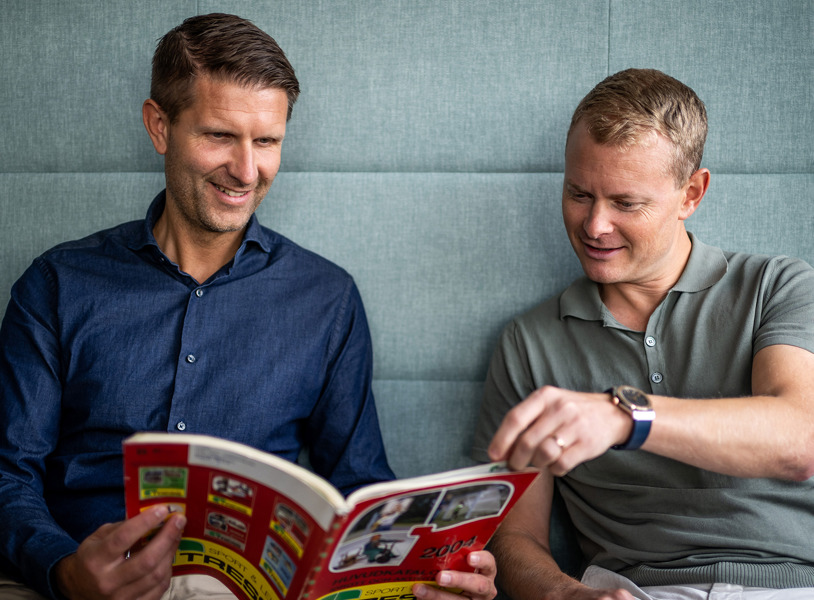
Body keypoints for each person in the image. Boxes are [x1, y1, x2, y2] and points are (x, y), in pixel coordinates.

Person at [0, 14, 497, 600]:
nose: (245, 171)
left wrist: (431, 571)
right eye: (219, 136)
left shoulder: (327, 298)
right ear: (159, 126)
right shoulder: (58, 284)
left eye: (266, 142)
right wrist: (65, 571)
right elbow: (9, 474)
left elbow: (359, 489)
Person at [473, 68, 814, 600]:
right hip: (632, 590)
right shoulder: (530, 342)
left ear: (691, 194)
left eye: (625, 203)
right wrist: (565, 594)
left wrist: (626, 415)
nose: (594, 226)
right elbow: (513, 536)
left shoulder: (777, 286)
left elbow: (800, 440)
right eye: (578, 193)